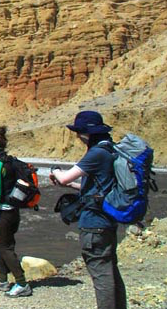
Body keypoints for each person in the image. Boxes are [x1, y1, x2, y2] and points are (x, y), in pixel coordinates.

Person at [50, 111, 126, 309]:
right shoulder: (110, 149)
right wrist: (70, 186)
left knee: (102, 277)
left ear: (87, 133)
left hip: (94, 223)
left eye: (79, 133)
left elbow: (65, 177)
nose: (78, 137)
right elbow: (94, 187)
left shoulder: (96, 154)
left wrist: (56, 172)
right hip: (107, 220)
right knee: (111, 271)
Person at [0, 126, 32, 298]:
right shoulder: (9, 161)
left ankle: (21, 283)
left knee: (5, 247)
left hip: (4, 213)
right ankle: (2, 279)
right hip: (13, 212)